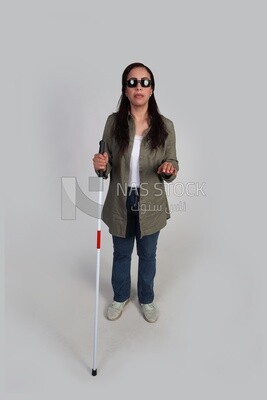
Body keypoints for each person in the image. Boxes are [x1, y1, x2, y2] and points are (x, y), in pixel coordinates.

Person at [93, 62, 179, 323]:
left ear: (152, 89)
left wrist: (168, 168)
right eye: (132, 82)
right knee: (121, 253)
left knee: (148, 254)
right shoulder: (113, 123)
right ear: (125, 89)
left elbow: (173, 163)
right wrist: (100, 165)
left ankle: (147, 298)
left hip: (150, 201)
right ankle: (120, 296)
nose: (138, 87)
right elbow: (105, 165)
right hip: (120, 199)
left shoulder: (165, 126)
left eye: (144, 82)